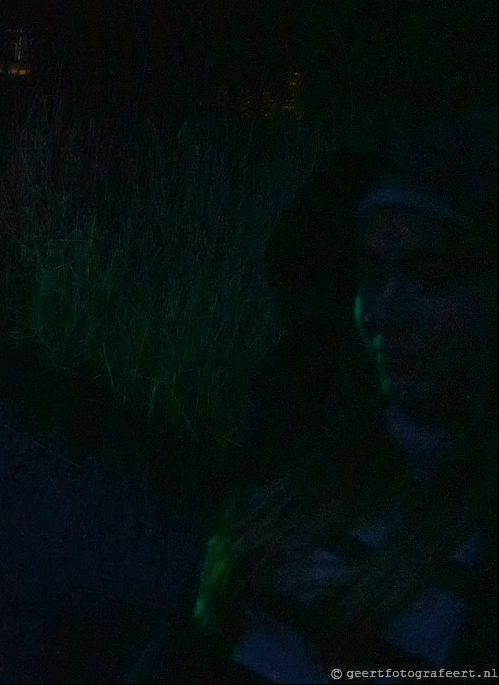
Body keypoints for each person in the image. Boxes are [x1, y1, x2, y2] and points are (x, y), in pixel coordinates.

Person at [132, 106, 498, 683]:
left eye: (433, 279)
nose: (383, 313)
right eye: (372, 276)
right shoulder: (303, 450)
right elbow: (191, 637)